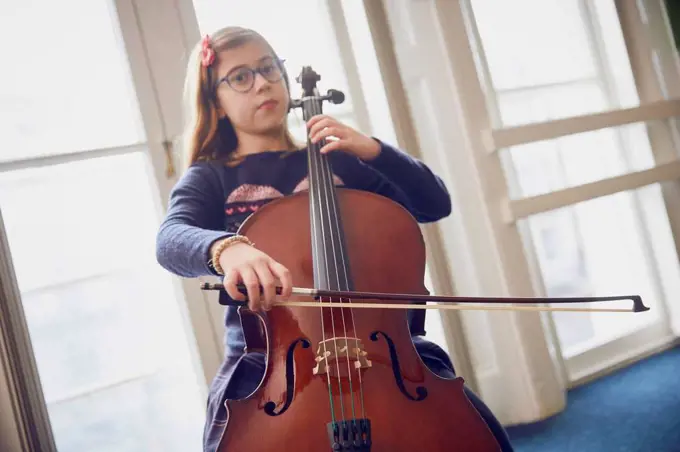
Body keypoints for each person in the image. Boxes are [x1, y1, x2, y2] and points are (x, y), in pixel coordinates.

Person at [155, 26, 514, 452]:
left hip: (382, 353)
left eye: (268, 68)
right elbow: (171, 239)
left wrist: (375, 151)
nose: (263, 82)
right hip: (270, 363)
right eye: (240, 77)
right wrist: (226, 248)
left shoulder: (337, 159)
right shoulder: (211, 177)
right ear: (215, 101)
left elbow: (434, 204)